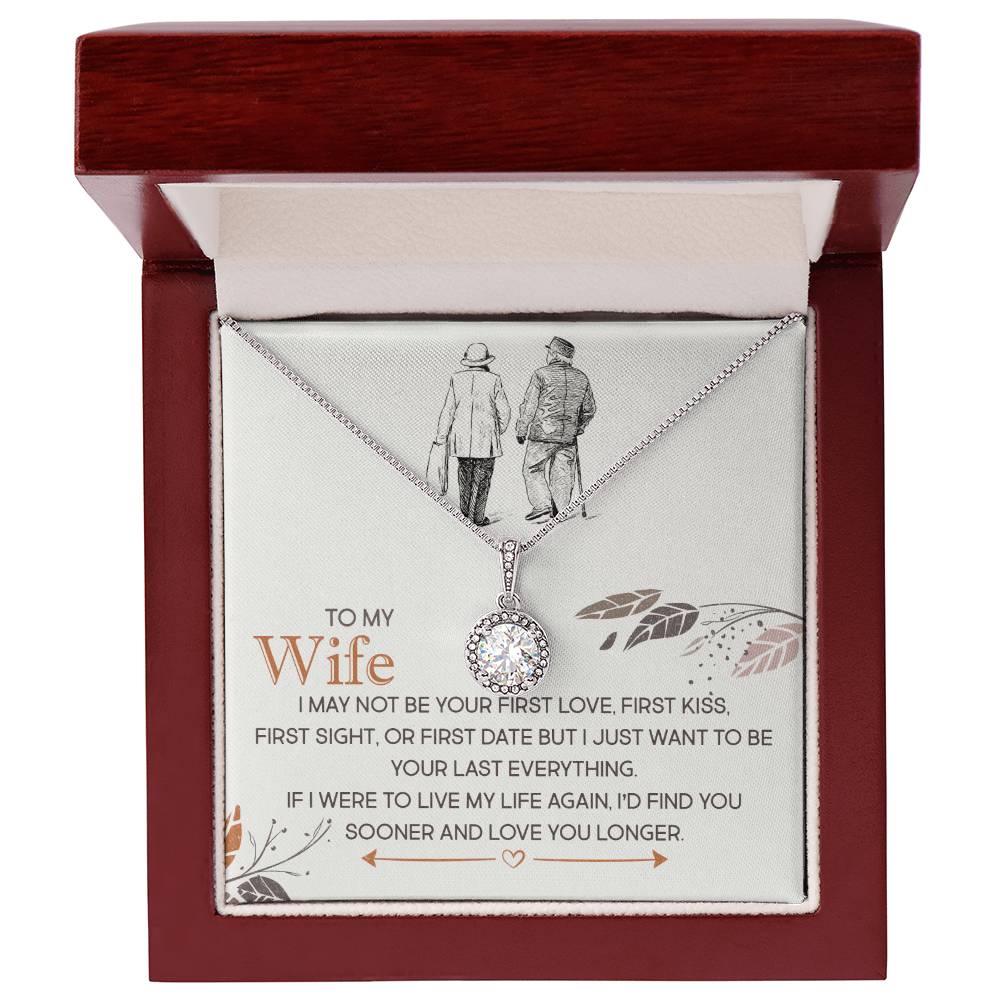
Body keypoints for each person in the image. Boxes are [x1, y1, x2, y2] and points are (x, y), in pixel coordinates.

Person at [516, 336, 597, 520]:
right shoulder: (581, 377)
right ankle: (560, 511)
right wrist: (578, 428)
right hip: (568, 435)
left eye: (549, 351)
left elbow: (529, 406)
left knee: (532, 468)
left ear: (553, 354)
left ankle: (542, 505)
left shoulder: (541, 374)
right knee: (563, 474)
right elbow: (589, 409)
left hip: (542, 433)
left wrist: (521, 429)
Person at [434, 343, 511, 526]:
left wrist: (441, 436)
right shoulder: (494, 379)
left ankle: (464, 517)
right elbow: (505, 411)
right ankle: (477, 517)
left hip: (461, 439)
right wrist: (497, 430)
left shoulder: (456, 378)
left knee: (464, 478)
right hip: (486, 439)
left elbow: (448, 410)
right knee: (482, 479)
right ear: (486, 361)